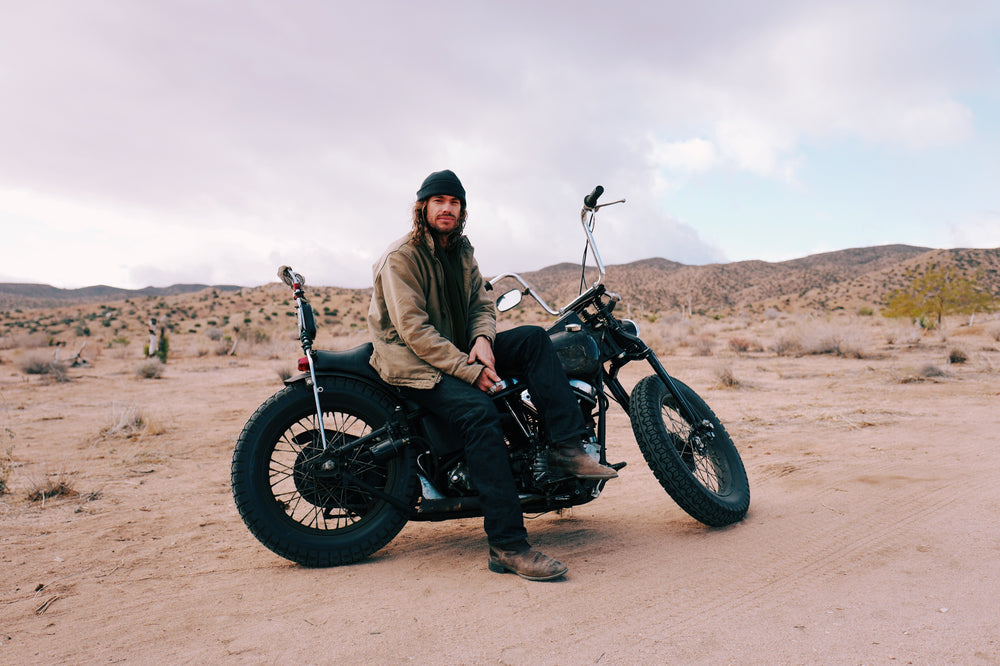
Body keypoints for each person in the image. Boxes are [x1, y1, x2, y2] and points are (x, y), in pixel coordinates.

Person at [368, 169, 617, 581]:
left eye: (455, 202)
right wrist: (470, 370)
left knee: (534, 339)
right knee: (480, 413)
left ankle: (565, 447)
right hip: (412, 362)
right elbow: (414, 331)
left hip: (455, 348)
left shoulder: (461, 250)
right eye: (439, 201)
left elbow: (481, 303)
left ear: (462, 210)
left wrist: (483, 339)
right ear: (422, 207)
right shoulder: (402, 257)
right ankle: (507, 545)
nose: (447, 209)